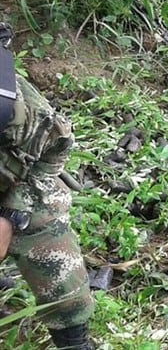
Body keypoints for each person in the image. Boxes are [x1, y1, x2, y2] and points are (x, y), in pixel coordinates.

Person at [0, 24, 95, 348]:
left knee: (45, 233)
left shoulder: (15, 108)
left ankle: (73, 337)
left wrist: (11, 218)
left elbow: (57, 146)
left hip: (11, 181)